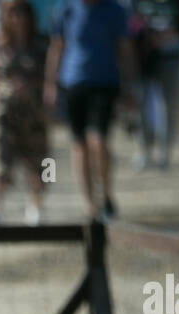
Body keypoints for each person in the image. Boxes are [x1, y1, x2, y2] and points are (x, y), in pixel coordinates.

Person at [44, 0, 137, 220]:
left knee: (99, 140)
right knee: (79, 144)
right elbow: (57, 46)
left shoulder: (116, 10)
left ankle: (105, 193)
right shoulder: (65, 8)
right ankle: (89, 202)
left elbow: (125, 48)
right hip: (73, 82)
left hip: (105, 82)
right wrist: (50, 84)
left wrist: (131, 85)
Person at [0, 0, 50, 224]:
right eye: (13, 13)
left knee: (40, 162)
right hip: (2, 113)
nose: (18, 18)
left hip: (34, 113)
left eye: (22, 12)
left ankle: (36, 207)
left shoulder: (41, 44)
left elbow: (52, 77)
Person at [130, 0, 179, 170]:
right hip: (145, 60)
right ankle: (144, 151)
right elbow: (131, 24)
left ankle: (164, 153)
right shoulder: (137, 3)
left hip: (171, 59)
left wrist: (165, 38)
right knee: (141, 106)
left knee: (168, 107)